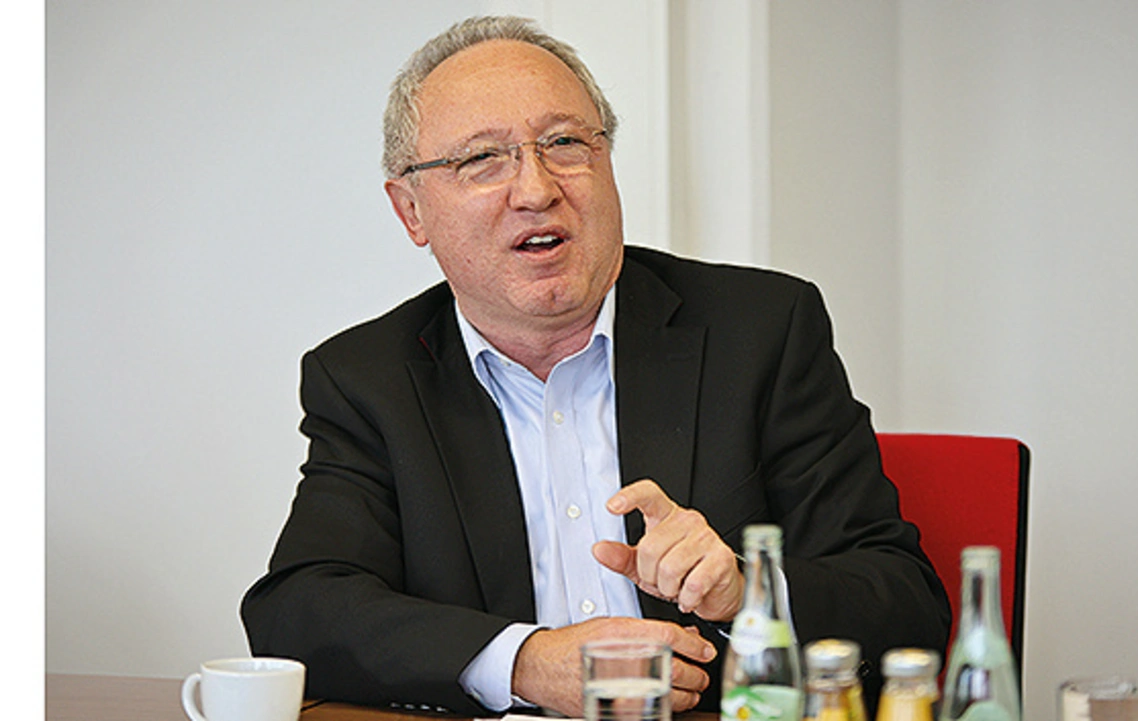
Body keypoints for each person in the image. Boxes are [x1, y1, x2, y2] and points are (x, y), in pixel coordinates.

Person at [240, 15, 950, 718]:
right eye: (482, 159)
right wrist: (524, 662)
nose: (536, 189)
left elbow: (907, 603)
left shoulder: (760, 331)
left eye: (564, 143)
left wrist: (746, 592)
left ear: (606, 160)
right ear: (411, 211)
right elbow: (298, 612)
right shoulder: (368, 380)